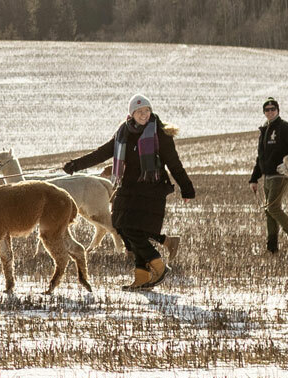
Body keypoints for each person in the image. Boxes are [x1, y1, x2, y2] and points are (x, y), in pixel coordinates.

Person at [62, 93, 195, 289]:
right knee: (121, 226)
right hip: (128, 187)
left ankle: (157, 264)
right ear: (131, 114)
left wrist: (187, 188)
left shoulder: (159, 133)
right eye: (140, 111)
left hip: (151, 188)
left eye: (147, 110)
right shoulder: (123, 132)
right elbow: (102, 153)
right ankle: (142, 275)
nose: (144, 114)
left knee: (133, 230)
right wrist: (75, 165)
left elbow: (174, 164)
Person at [246, 97, 288, 255]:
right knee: (269, 210)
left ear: (278, 110)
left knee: (272, 207)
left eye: (273, 109)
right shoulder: (265, 130)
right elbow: (261, 157)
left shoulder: (285, 128)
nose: (270, 112)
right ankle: (272, 246)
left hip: (281, 175)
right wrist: (254, 178)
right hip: (268, 176)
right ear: (264, 112)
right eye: (267, 109)